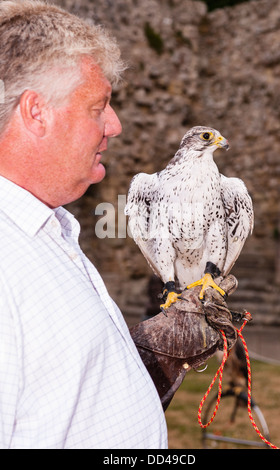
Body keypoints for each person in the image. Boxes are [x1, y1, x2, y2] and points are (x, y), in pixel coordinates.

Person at [0, 0, 167, 449]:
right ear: (37, 112)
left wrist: (152, 363)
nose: (114, 125)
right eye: (99, 107)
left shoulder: (45, 229)